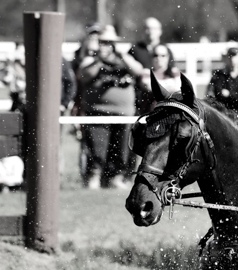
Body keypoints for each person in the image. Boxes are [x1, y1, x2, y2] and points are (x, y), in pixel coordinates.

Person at [76, 24, 145, 189]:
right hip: (98, 113)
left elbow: (138, 71)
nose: (106, 45)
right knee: (96, 149)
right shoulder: (90, 59)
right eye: (103, 42)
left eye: (109, 42)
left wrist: (121, 55)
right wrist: (99, 60)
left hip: (124, 114)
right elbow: (84, 76)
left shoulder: (125, 59)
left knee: (121, 150)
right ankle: (94, 178)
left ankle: (116, 178)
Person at [129, 17, 177, 114]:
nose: (159, 58)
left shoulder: (166, 49)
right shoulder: (135, 49)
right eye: (148, 28)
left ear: (160, 31)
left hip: (166, 102)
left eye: (154, 28)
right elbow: (145, 83)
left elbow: (177, 81)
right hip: (141, 99)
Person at [207, 45, 238, 114]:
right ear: (226, 58)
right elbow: (219, 94)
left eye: (235, 56)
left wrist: (230, 94)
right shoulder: (219, 75)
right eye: (230, 56)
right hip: (225, 114)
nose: (232, 59)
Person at [138, 43, 181, 110]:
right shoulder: (146, 72)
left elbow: (179, 87)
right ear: (151, 57)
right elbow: (149, 87)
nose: (159, 58)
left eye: (163, 55)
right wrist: (171, 84)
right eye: (155, 55)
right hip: (151, 112)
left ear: (168, 56)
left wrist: (158, 85)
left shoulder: (174, 71)